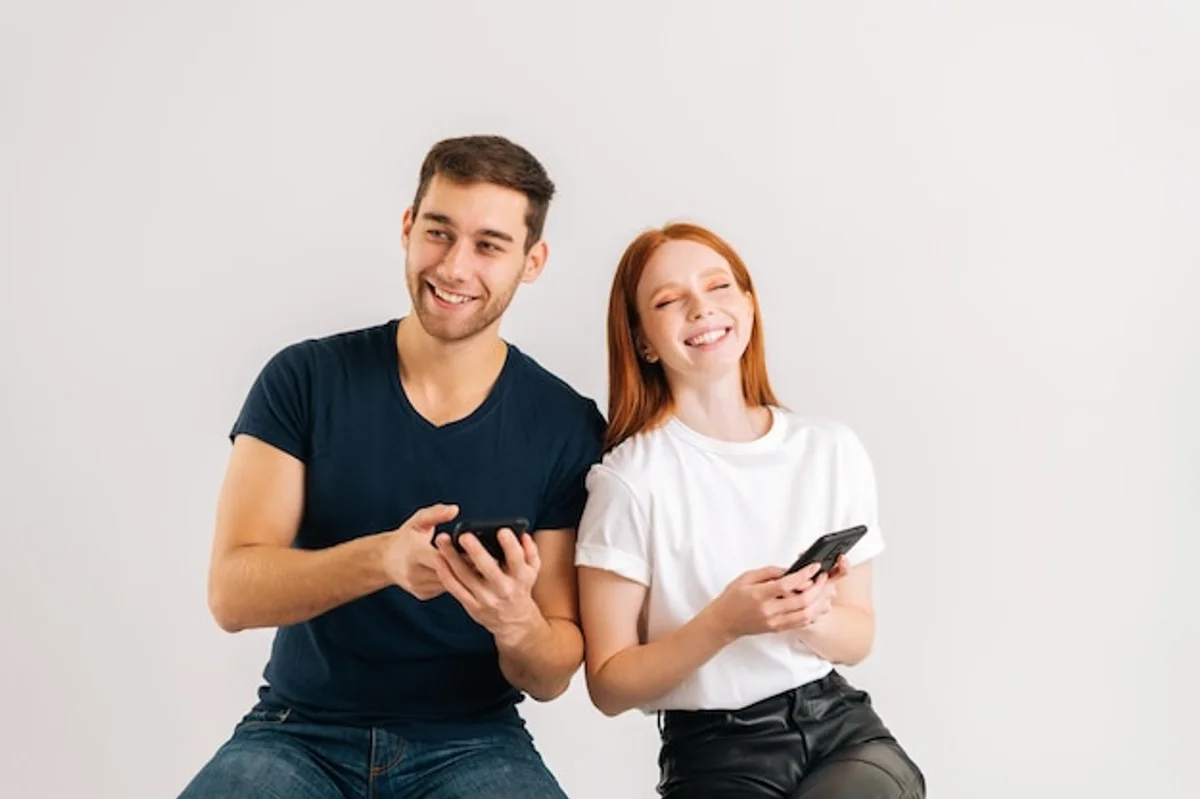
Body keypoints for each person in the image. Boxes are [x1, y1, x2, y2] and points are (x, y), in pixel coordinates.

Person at [179, 135, 605, 799]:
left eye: (489, 245)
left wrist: (513, 619)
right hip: (297, 733)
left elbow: (551, 675)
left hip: (475, 741)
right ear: (408, 228)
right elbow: (232, 594)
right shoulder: (305, 378)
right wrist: (383, 559)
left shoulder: (566, 424)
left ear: (532, 261)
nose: (455, 267)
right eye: (439, 232)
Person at [574, 222, 926, 798]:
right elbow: (609, 685)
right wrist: (723, 624)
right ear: (642, 340)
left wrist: (808, 613)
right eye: (668, 300)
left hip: (840, 729)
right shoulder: (629, 481)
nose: (700, 308)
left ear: (748, 305)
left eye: (718, 287)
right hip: (716, 751)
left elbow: (857, 638)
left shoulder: (830, 450)